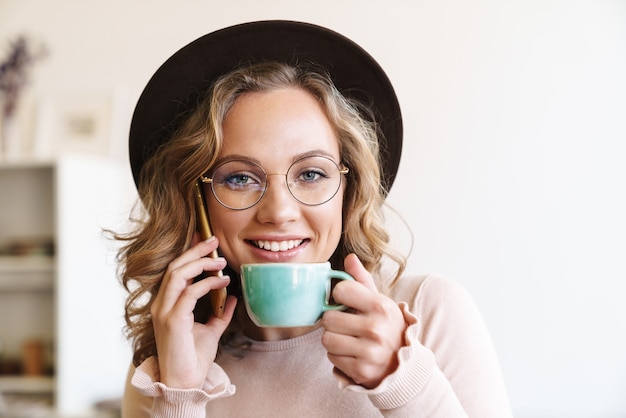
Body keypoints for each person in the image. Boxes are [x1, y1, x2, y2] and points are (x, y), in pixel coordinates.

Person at [117, 21, 513, 417]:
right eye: (239, 178)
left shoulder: (427, 312)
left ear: (348, 189)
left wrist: (401, 379)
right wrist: (181, 396)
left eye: (310, 174)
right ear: (197, 201)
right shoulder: (166, 362)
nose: (279, 212)